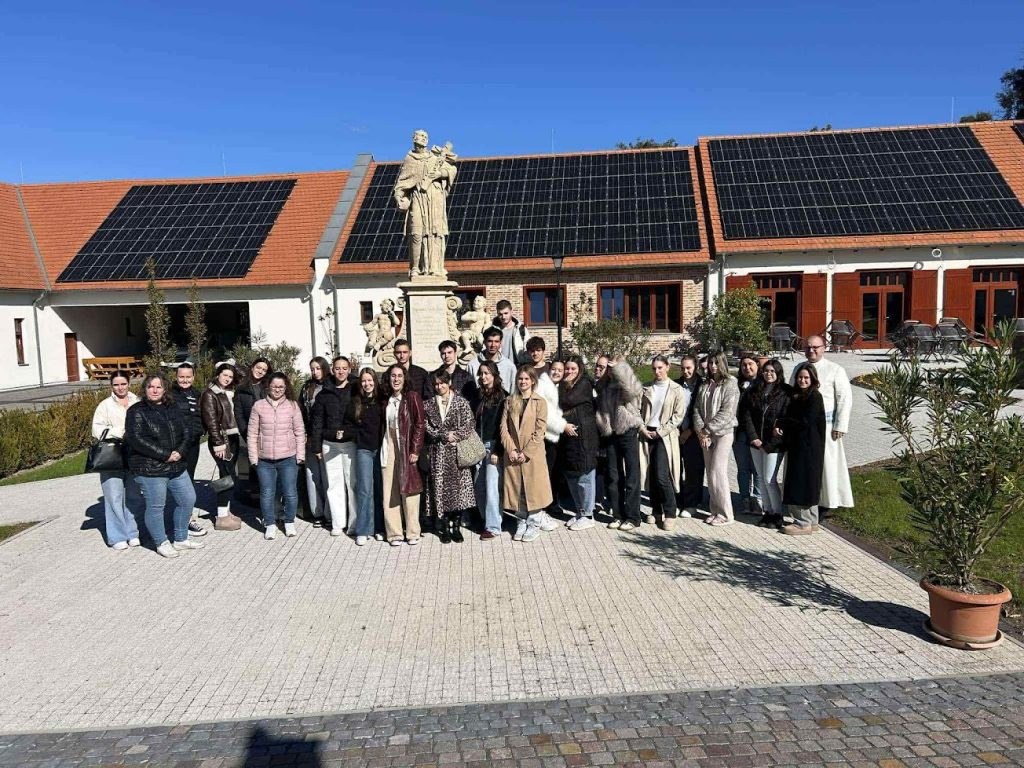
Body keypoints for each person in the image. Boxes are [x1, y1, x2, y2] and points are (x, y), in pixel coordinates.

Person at [124, 374, 202, 559]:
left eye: (158, 387)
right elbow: (136, 439)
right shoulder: (136, 411)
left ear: (165, 389)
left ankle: (181, 538)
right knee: (156, 506)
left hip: (176, 465)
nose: (154, 390)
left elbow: (187, 431)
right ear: (145, 389)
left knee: (188, 499)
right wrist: (165, 454)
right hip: (150, 468)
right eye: (151, 387)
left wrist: (180, 452)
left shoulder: (173, 407)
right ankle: (161, 542)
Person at [793, 335, 854, 518]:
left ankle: (827, 502)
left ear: (823, 348)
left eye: (815, 347)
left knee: (827, 465)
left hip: (826, 427)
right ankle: (805, 499)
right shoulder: (799, 368)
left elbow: (844, 398)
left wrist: (840, 425)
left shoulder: (835, 370)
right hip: (802, 427)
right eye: (808, 347)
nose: (811, 350)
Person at [248, 372, 306, 540]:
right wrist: (253, 458)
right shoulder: (258, 406)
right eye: (274, 386)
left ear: (285, 388)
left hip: (288, 458)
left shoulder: (292, 406)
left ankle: (289, 521)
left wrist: (300, 455)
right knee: (267, 493)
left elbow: (299, 432)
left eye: (281, 386)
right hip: (264, 459)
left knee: (290, 492)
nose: (277, 389)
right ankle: (270, 523)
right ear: (268, 387)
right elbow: (252, 434)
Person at [423, 370, 477, 543]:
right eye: (436, 384)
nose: (440, 387)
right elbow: (426, 426)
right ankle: (445, 527)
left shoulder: (461, 402)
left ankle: (457, 527)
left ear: (449, 383)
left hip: (457, 453)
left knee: (459, 491)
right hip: (438, 453)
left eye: (442, 383)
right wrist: (443, 435)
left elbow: (470, 423)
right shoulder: (428, 404)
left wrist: (457, 436)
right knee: (441, 490)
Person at [500, 366, 552, 542]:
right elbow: (504, 428)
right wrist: (511, 449)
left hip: (533, 455)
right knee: (518, 489)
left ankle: (534, 523)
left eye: (526, 379)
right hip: (513, 454)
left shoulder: (540, 402)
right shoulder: (509, 401)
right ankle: (521, 520)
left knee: (534, 489)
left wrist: (527, 452)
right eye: (520, 379)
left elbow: (540, 430)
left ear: (533, 381)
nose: (523, 382)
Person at [91, 372, 140, 550]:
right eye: (116, 385)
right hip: (112, 455)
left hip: (134, 454)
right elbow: (97, 430)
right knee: (114, 496)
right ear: (111, 386)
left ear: (129, 383)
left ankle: (132, 532)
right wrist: (120, 431)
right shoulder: (105, 405)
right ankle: (117, 536)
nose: (120, 388)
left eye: (123, 384)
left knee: (134, 495)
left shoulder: (137, 401)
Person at [776, 362, 826, 535]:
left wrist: (783, 423)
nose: (802, 380)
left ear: (812, 379)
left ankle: (802, 523)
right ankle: (812, 521)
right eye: (800, 377)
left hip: (807, 448)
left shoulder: (814, 397)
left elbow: (805, 421)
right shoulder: (799, 395)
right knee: (807, 482)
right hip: (801, 446)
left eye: (806, 378)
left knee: (802, 483)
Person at [639, 355, 688, 530]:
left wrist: (661, 432)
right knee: (651, 474)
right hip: (646, 433)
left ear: (667, 367)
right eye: (654, 368)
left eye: (660, 367)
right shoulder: (645, 387)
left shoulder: (676, 389)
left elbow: (678, 416)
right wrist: (642, 428)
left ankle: (670, 512)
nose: (657, 371)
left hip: (665, 436)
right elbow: (637, 410)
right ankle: (656, 510)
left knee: (662, 475)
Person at [595, 355, 644, 531]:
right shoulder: (602, 386)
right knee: (613, 476)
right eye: (601, 366)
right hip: (611, 434)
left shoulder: (623, 383)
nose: (603, 370)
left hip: (627, 431)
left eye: (607, 366)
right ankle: (618, 515)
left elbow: (633, 390)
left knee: (632, 476)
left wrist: (620, 367)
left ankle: (633, 517)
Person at [310, 356, 357, 537]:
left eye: (344, 368)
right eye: (337, 368)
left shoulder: (355, 389)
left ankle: (354, 524)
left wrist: (350, 433)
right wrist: (316, 447)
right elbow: (317, 421)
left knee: (352, 484)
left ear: (349, 369)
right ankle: (338, 523)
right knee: (334, 484)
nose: (341, 371)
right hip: (330, 444)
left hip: (350, 443)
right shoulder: (324, 393)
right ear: (332, 369)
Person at [693, 351, 740, 526]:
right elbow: (697, 409)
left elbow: (727, 413)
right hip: (706, 434)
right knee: (710, 472)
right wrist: (702, 432)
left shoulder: (730, 383)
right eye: (711, 363)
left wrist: (707, 430)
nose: (713, 366)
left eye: (716, 363)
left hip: (723, 433)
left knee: (718, 471)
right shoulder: (705, 384)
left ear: (722, 363)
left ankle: (726, 514)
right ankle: (715, 510)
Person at [380, 364, 425, 545]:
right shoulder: (386, 399)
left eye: (399, 376)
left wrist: (415, 449)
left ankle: (413, 532)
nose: (396, 379)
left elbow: (420, 424)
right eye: (393, 376)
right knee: (389, 489)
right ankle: (394, 533)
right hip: (389, 444)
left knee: (410, 489)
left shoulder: (412, 397)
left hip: (406, 445)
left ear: (405, 378)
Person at [742, 358, 789, 528]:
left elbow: (785, 419)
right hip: (756, 442)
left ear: (778, 373)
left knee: (770, 479)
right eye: (766, 371)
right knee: (761, 478)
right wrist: (754, 437)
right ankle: (767, 512)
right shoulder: (755, 390)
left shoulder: (785, 392)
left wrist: (769, 444)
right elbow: (746, 415)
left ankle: (777, 513)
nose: (769, 374)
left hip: (774, 445)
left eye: (772, 371)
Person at [200, 363, 244, 531]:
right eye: (224, 375)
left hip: (232, 437)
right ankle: (221, 516)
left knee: (228, 475)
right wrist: (218, 443)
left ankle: (226, 510)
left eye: (230, 376)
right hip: (221, 439)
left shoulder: (229, 392)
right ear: (217, 374)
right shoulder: (210, 394)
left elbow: (244, 377)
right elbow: (211, 421)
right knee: (227, 477)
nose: (227, 379)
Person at [344, 368, 385, 546]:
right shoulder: (356, 402)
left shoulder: (382, 401)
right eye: (364, 381)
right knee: (365, 489)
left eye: (370, 380)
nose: (367, 384)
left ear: (375, 381)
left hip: (381, 449)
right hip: (364, 450)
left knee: (380, 489)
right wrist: (357, 436)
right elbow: (348, 424)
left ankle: (379, 528)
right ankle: (363, 530)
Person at [558, 355, 599, 530]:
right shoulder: (565, 385)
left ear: (580, 369)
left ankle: (588, 515)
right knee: (572, 475)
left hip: (585, 437)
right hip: (570, 438)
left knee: (585, 475)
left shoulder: (584, 383)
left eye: (573, 368)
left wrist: (557, 390)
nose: (569, 371)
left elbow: (567, 400)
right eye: (567, 368)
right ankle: (580, 511)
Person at [171, 362, 208, 537]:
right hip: (177, 445)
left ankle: (188, 518)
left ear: (193, 377)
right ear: (176, 377)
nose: (184, 380)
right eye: (181, 377)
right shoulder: (170, 395)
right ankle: (181, 519)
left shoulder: (197, 393)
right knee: (177, 482)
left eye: (188, 377)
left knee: (189, 479)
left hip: (193, 443)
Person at [472, 360, 506, 540]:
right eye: (481, 373)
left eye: (486, 373)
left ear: (494, 375)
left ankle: (493, 526)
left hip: (493, 445)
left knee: (492, 486)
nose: (483, 376)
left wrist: (498, 450)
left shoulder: (502, 397)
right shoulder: (478, 395)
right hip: (478, 445)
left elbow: (504, 427)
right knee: (479, 485)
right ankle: (486, 519)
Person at [298, 356, 332, 527]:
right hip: (311, 437)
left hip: (328, 437)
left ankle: (330, 513)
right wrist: (304, 434)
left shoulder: (332, 385)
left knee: (328, 477)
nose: (315, 372)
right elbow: (301, 413)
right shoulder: (307, 388)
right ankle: (317, 512)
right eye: (312, 369)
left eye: (318, 368)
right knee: (313, 476)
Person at [534, 355, 567, 525]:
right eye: (554, 369)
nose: (556, 372)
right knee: (547, 472)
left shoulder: (563, 386)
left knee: (557, 472)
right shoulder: (542, 385)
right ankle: (546, 504)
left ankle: (554, 501)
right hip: (547, 435)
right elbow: (543, 413)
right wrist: (562, 426)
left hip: (561, 436)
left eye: (560, 370)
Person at [234, 357, 270, 504]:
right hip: (250, 434)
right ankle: (256, 499)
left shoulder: (268, 387)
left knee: (269, 466)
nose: (260, 371)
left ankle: (270, 497)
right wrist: (246, 434)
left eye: (264, 370)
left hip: (269, 434)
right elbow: (239, 414)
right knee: (254, 465)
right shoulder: (242, 388)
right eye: (258, 367)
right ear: (252, 367)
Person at [675, 355, 704, 517]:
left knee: (693, 469)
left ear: (696, 368)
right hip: (676, 432)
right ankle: (677, 501)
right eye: (683, 368)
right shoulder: (676, 385)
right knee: (676, 468)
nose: (685, 371)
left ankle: (692, 503)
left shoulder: (703, 385)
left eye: (689, 368)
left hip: (694, 433)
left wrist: (690, 430)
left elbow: (702, 411)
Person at [734, 354, 763, 515]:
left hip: (757, 433)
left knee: (757, 469)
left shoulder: (764, 383)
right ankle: (745, 498)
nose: (747, 368)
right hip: (740, 433)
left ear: (757, 365)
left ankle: (757, 499)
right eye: (744, 365)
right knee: (743, 468)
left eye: (750, 364)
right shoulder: (737, 384)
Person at [468, 327, 517, 394]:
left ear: (500, 343)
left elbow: (513, 392)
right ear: (484, 342)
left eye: (496, 341)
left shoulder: (510, 366)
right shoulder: (472, 365)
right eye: (490, 341)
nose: (493, 345)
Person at [493, 299, 529, 365]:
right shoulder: (493, 330)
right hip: (499, 367)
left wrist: (524, 364)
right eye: (500, 314)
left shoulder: (521, 329)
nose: (503, 317)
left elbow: (528, 349)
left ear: (511, 311)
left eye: (506, 313)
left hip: (518, 367)